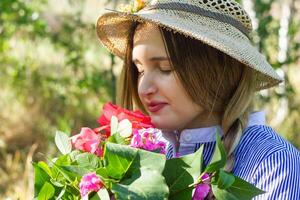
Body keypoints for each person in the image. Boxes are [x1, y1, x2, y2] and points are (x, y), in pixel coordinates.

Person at [96, 0, 300, 199]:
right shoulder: (143, 151)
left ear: (218, 70)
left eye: (165, 68)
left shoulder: (271, 162)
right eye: (140, 70)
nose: (144, 88)